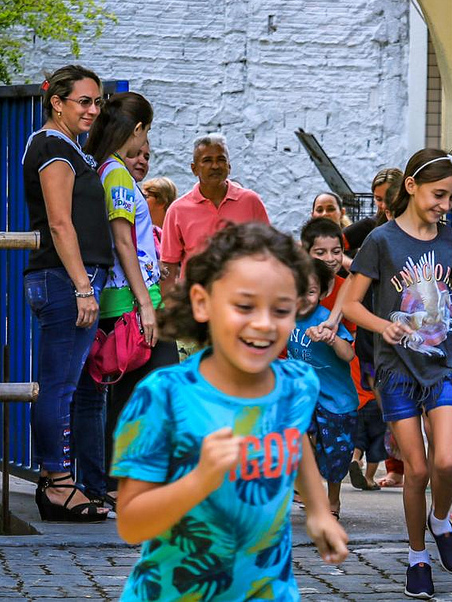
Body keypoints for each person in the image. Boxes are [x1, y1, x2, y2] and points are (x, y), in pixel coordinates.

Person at [112, 223, 348, 600]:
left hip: (269, 591)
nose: (264, 323)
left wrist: (319, 510)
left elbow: (294, 436)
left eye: (281, 309)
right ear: (203, 302)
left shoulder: (296, 385)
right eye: (244, 305)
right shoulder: (164, 397)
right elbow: (131, 523)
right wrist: (199, 479)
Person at [341, 148, 452, 598]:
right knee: (418, 468)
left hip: (443, 365)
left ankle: (441, 519)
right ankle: (417, 557)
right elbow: (351, 303)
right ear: (411, 186)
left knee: (447, 461)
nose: (445, 206)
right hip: (397, 372)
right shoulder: (382, 241)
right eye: (439, 195)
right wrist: (382, 325)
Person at [21, 64, 112, 521]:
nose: (93, 110)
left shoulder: (68, 146)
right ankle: (57, 485)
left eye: (98, 102)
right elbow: (59, 222)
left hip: (69, 278)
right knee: (59, 387)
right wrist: (82, 286)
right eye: (84, 101)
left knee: (65, 385)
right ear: (57, 102)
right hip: (64, 279)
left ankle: (57, 482)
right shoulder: (53, 147)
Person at [84, 93, 180, 511]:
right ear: (137, 128)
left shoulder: (104, 169)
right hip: (132, 301)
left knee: (128, 397)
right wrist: (145, 304)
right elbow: (124, 241)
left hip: (121, 300)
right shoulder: (117, 175)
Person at [287, 258, 357, 518]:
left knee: (336, 456)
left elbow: (348, 354)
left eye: (311, 291)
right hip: (305, 398)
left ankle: (333, 502)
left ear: (323, 293)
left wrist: (332, 338)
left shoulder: (327, 318)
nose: (303, 298)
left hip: (336, 402)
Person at [160, 133, 270, 293]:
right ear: (194, 168)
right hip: (196, 303)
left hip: (244, 299)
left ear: (229, 166)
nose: (215, 166)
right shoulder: (177, 210)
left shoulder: (251, 201)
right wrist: (170, 309)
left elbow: (268, 253)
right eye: (207, 160)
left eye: (221, 160)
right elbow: (169, 267)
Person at [344, 167, 404, 254]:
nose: (384, 205)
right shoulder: (368, 226)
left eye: (389, 198)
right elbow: (328, 244)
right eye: (379, 199)